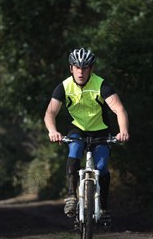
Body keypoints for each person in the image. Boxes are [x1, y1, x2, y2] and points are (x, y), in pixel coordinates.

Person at [44, 47, 130, 219]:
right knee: (74, 151)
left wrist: (123, 131)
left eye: (84, 68)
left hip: (101, 131)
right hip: (78, 129)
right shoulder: (64, 87)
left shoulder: (101, 85)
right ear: (71, 68)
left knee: (101, 167)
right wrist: (52, 131)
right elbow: (50, 113)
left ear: (91, 69)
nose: (80, 72)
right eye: (77, 67)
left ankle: (104, 208)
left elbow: (119, 109)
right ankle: (70, 195)